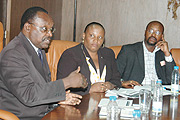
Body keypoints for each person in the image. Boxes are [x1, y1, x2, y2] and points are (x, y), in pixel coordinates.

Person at [0, 7, 88, 120]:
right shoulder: (12, 54)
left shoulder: (38, 49)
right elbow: (28, 94)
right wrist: (67, 82)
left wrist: (58, 99)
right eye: (44, 29)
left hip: (43, 113)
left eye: (51, 30)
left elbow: (41, 88)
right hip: (23, 117)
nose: (50, 34)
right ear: (28, 27)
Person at [57, 22, 121, 95]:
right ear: (84, 36)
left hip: (106, 101)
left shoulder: (108, 54)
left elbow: (117, 80)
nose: (96, 40)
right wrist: (90, 89)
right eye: (92, 36)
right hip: (80, 102)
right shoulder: (70, 55)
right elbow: (61, 87)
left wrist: (111, 85)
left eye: (100, 37)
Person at [116, 21, 176, 88]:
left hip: (159, 92)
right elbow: (114, 75)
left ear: (162, 36)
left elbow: (172, 80)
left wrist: (167, 54)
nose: (153, 35)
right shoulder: (128, 50)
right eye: (150, 31)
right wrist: (122, 82)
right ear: (145, 32)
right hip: (136, 91)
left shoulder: (162, 53)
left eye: (157, 33)